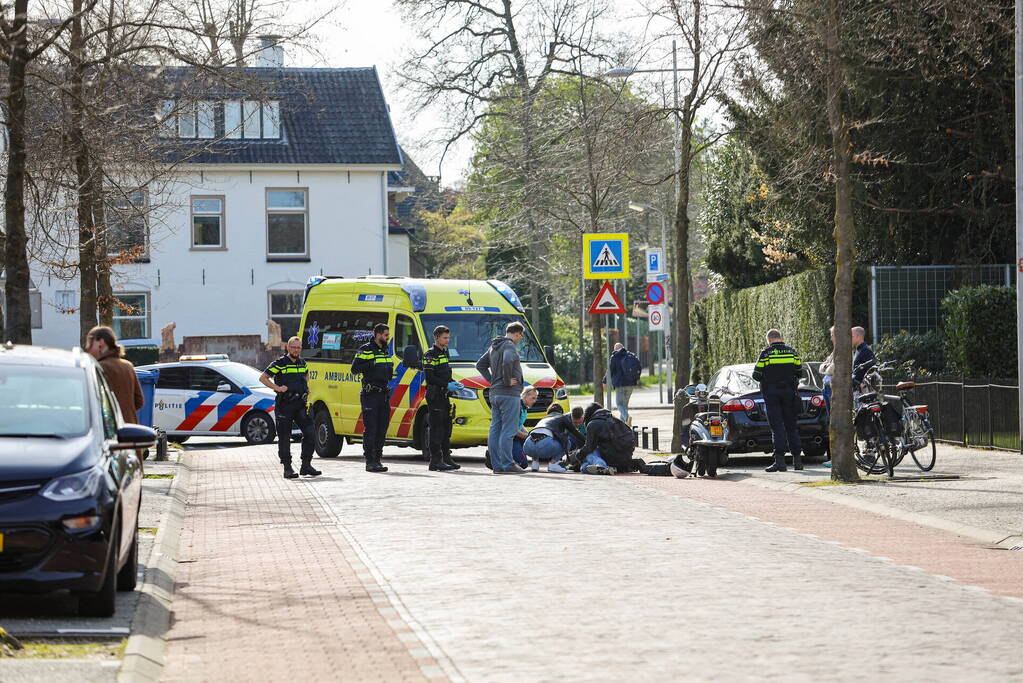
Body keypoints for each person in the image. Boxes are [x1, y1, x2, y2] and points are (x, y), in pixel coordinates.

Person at [260, 336, 320, 479]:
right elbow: (263, 378)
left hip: (300, 404)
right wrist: (277, 388)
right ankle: (287, 468)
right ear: (288, 348)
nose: (296, 350)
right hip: (285, 405)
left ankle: (306, 465)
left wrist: (306, 386)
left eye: (299, 347)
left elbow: (306, 374)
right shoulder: (280, 363)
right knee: (284, 437)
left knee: (310, 433)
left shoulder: (302, 363)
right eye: (294, 347)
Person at [476, 322, 525, 474]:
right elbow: (507, 361)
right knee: (508, 430)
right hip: (509, 394)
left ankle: (497, 465)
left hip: (495, 393)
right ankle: (508, 464)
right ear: (517, 333)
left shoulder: (494, 346)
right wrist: (506, 380)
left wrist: (492, 381)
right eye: (521, 335)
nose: (521, 338)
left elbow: (480, 365)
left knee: (495, 430)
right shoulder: (509, 345)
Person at [752, 329, 803, 473]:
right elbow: (800, 372)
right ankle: (798, 462)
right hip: (790, 393)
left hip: (772, 394)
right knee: (791, 427)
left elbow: (756, 375)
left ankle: (780, 462)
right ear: (780, 337)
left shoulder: (766, 354)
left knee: (777, 428)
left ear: (769, 340)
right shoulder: (792, 352)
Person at [352, 323, 393, 473]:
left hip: (383, 394)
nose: (387, 337)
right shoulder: (366, 349)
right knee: (371, 428)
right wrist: (372, 364)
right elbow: (355, 369)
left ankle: (378, 460)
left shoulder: (385, 350)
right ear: (378, 335)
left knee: (382, 428)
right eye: (386, 335)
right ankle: (370, 461)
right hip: (370, 395)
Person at [85, 326, 145, 425]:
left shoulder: (98, 367)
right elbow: (139, 402)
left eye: (90, 342)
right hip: (130, 428)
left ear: (101, 342)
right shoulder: (128, 366)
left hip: (107, 429)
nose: (87, 348)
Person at [422, 325, 460, 471]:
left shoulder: (444, 353)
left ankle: (446, 458)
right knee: (436, 429)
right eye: (445, 338)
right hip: (435, 395)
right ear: (437, 338)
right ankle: (435, 460)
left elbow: (445, 374)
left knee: (446, 428)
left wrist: (454, 383)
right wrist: (447, 384)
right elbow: (430, 378)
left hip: (444, 395)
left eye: (448, 337)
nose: (447, 340)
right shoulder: (430, 355)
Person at [569, 403, 637, 475]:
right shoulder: (615, 420)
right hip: (625, 458)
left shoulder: (593, 424)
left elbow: (589, 447)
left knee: (591, 453)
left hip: (611, 457)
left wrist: (578, 455)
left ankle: (602, 466)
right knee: (583, 467)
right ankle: (603, 469)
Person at [524, 404, 584, 473]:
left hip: (527, 446)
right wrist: (588, 442)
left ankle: (535, 464)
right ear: (561, 412)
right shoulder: (562, 417)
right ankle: (553, 464)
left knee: (537, 438)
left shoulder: (544, 419)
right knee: (567, 443)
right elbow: (575, 433)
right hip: (544, 445)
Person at [606, 343, 641, 424]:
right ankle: (624, 424)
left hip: (620, 385)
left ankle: (627, 417)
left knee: (619, 404)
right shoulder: (631, 356)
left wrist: (605, 381)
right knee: (624, 405)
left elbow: (610, 371)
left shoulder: (614, 357)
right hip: (631, 384)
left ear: (615, 349)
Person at [510, 386, 539, 468]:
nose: (534, 401)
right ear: (525, 395)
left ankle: (535, 461)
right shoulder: (517, 407)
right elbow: (513, 429)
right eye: (533, 398)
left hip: (517, 437)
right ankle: (498, 458)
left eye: (536, 399)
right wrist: (527, 436)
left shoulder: (524, 408)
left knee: (534, 442)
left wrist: (529, 434)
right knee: (523, 464)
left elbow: (520, 424)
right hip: (511, 439)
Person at [851, 326, 876, 392]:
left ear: (858, 337)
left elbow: (872, 368)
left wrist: (863, 384)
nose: (850, 339)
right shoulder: (858, 349)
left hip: (864, 389)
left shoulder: (865, 350)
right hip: (857, 388)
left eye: (852, 336)